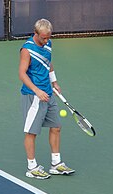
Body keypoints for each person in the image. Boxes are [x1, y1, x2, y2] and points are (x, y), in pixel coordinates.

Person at [18, 19, 75, 179]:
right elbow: (22, 73)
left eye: (48, 37)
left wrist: (54, 81)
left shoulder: (48, 44)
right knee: (31, 132)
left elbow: (48, 63)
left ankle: (55, 164)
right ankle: (32, 167)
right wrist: (36, 91)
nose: (46, 40)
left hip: (48, 93)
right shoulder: (27, 50)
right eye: (43, 37)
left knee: (56, 127)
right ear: (35, 33)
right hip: (33, 96)